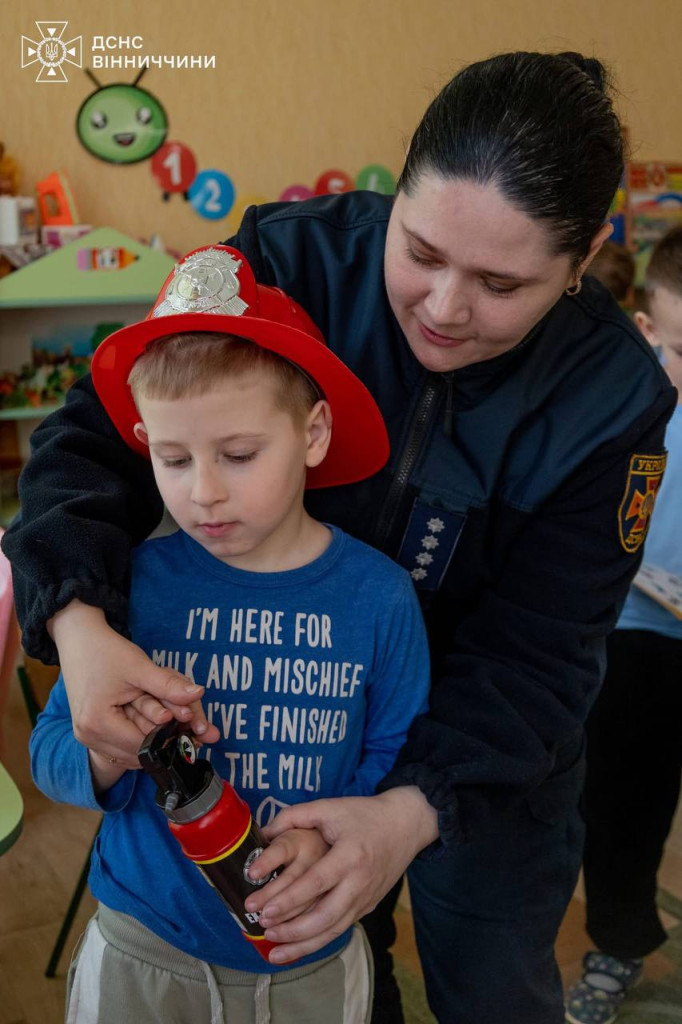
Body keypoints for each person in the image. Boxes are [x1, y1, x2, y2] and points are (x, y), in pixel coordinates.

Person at [4, 51, 678, 1024]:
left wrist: (409, 811)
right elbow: (88, 441)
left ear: (578, 267)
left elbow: (542, 655)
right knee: (336, 969)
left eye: (501, 283)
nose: (444, 309)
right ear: (395, 192)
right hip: (290, 739)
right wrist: (78, 624)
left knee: (495, 987)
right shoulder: (284, 264)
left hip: (490, 763)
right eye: (422, 251)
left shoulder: (611, 400)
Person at [29, 246, 431, 1024]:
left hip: (307, 958)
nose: (203, 492)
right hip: (141, 949)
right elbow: (53, 748)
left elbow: (400, 757)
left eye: (239, 455)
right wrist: (107, 755)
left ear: (313, 434)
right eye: (172, 459)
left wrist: (348, 837)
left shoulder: (379, 598)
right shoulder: (130, 583)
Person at [564, 226, 682, 1024]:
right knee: (598, 797)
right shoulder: (620, 411)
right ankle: (598, 931)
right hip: (611, 637)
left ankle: (618, 935)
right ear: (648, 332)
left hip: (670, 652)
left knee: (639, 804)